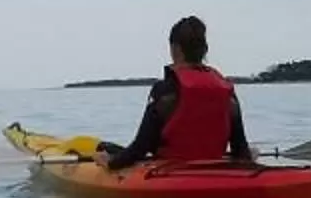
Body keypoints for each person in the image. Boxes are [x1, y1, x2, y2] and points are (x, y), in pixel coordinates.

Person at [99, 15, 254, 168]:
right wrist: (248, 158)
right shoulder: (226, 89)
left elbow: (141, 146)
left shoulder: (165, 89)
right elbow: (240, 149)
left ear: (176, 48)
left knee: (102, 148)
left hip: (170, 172)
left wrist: (111, 163)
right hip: (214, 168)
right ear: (204, 49)